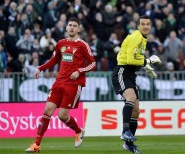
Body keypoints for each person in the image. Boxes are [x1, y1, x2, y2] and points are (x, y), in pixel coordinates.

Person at [25, 17, 96, 153]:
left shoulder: (82, 45)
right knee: (47, 110)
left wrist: (79, 71)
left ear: (78, 29)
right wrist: (40, 68)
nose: (72, 28)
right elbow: (54, 60)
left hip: (73, 84)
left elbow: (93, 63)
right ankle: (36, 145)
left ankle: (79, 131)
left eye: (75, 26)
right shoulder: (61, 43)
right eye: (70, 25)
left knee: (62, 116)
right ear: (66, 27)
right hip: (59, 82)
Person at [112, 15, 162, 153]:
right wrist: (148, 61)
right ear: (138, 26)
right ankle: (125, 131)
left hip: (130, 74)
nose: (145, 26)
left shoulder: (142, 39)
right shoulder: (137, 36)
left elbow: (136, 57)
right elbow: (129, 59)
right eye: (143, 24)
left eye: (148, 24)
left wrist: (146, 67)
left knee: (136, 110)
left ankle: (128, 144)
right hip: (122, 71)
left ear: (150, 26)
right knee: (131, 98)